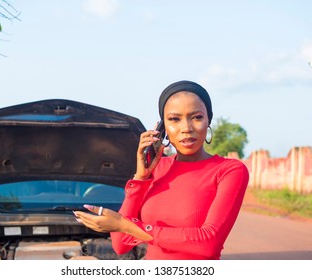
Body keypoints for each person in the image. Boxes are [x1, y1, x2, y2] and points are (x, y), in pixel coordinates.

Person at [74, 80, 249, 260]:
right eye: (174, 119)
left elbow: (208, 244)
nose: (186, 129)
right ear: (162, 128)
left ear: (208, 120)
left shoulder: (229, 171)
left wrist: (127, 226)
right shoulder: (157, 169)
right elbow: (121, 244)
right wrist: (141, 178)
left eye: (197, 117)